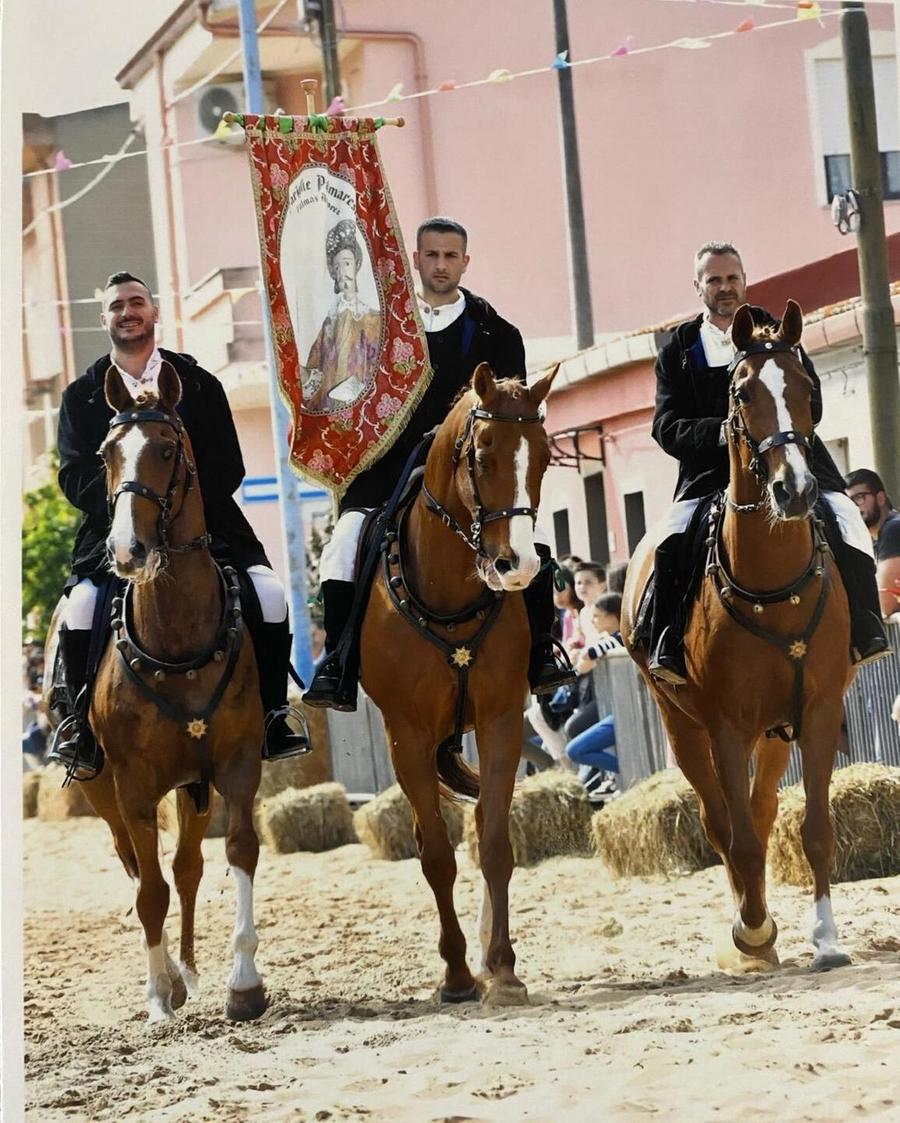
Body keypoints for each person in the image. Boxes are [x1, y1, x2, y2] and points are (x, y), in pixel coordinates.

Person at [304, 216, 574, 710]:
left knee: (526, 543)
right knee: (341, 545)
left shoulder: (499, 332)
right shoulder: (377, 324)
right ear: (416, 259)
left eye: (451, 256)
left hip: (471, 476)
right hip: (386, 469)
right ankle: (338, 665)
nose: (441, 265)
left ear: (465, 262)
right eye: (432, 255)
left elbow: (509, 415)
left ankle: (541, 654)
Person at [47, 271, 308, 780]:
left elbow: (228, 465)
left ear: (154, 311)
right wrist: (132, 516)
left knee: (270, 593)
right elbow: (73, 474)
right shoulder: (81, 396)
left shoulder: (201, 384)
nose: (128, 311)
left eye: (136, 302)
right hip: (115, 534)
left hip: (208, 530)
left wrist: (176, 518)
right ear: (104, 320)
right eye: (117, 306)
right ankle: (79, 726)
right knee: (79, 609)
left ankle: (275, 716)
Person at [646, 241, 889, 684]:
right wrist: (723, 433)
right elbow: (665, 426)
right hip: (710, 473)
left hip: (790, 460)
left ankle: (866, 625)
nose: (725, 287)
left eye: (732, 278)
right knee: (670, 536)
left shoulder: (781, 334)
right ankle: (667, 641)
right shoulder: (677, 349)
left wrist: (778, 423)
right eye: (714, 279)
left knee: (847, 516)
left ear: (744, 280)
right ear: (697, 285)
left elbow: (811, 402)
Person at [302, 218, 382, 411]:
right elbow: (316, 369)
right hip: (333, 412)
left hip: (363, 412)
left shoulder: (373, 319)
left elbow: (381, 367)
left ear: (356, 266)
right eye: (337, 267)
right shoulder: (330, 323)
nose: (342, 272)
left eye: (346, 264)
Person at [566, 593, 626, 794]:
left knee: (576, 746)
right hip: (616, 707)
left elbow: (588, 655)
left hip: (625, 709)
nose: (593, 621)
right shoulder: (608, 638)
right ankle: (619, 775)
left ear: (611, 616)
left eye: (597, 616)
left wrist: (583, 659)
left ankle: (625, 772)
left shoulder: (621, 637)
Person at [845, 469, 900, 618]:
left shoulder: (893, 529)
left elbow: (885, 605)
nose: (854, 506)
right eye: (849, 501)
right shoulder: (874, 538)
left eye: (859, 497)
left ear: (880, 498)